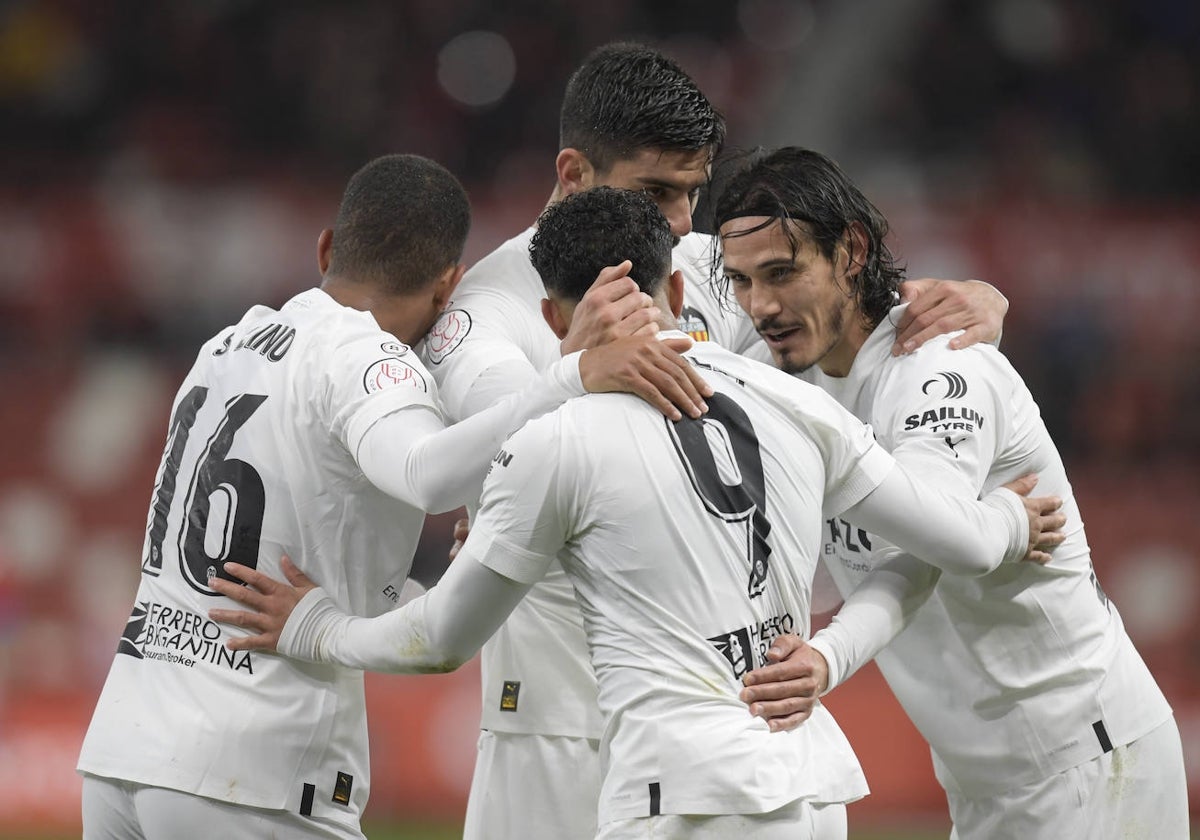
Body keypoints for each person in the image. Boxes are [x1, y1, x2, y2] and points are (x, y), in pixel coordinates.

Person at [207, 186, 1064, 840]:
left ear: (553, 318)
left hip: (677, 799)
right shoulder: (795, 399)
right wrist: (1016, 523)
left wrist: (316, 628)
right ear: (683, 289)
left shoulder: (554, 443)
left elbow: (437, 640)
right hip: (808, 790)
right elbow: (955, 539)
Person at [418, 40, 1013, 840]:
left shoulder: (694, 265)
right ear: (573, 176)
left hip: (708, 723)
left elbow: (830, 310)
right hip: (558, 723)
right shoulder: (489, 311)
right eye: (656, 191)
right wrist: (569, 376)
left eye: (692, 194)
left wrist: (957, 301)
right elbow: (494, 447)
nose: (677, 223)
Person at [75, 155, 712, 840]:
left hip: (122, 749)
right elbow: (427, 473)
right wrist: (567, 377)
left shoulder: (227, 345)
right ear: (449, 288)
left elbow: (310, 526)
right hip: (249, 763)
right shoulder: (369, 359)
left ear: (326, 247)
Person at [715, 147, 1189, 839]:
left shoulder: (938, 367)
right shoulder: (782, 368)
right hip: (982, 782)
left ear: (851, 251)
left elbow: (937, 541)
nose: (761, 305)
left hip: (1087, 760)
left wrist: (831, 653)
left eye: (783, 274)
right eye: (742, 281)